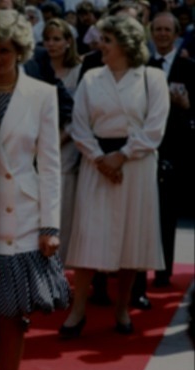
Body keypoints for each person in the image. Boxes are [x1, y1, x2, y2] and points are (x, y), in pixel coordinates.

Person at [60, 14, 169, 338]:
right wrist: (100, 159)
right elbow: (79, 125)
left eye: (107, 40)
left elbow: (155, 127)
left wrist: (122, 155)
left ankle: (122, 309)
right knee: (89, 236)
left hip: (135, 167)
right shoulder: (92, 78)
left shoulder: (152, 77)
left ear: (125, 43)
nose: (100, 45)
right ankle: (78, 310)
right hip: (97, 167)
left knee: (130, 238)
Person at [0, 9, 71, 370]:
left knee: (13, 318)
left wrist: (51, 226)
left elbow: (51, 166)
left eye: (8, 50)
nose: (1, 57)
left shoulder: (41, 94)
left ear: (21, 51)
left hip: (23, 219)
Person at [132, 12, 195, 297]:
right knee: (142, 215)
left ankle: (163, 271)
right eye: (157, 29)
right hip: (144, 147)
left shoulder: (189, 68)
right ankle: (138, 272)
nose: (161, 34)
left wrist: (186, 104)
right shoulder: (141, 66)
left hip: (176, 148)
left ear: (176, 33)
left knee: (167, 214)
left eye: (167, 30)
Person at [41, 17, 83, 266]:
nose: (51, 44)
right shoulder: (37, 68)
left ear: (69, 42)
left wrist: (57, 141)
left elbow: (80, 114)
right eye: (47, 39)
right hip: (37, 148)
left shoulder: (79, 70)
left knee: (63, 208)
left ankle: (61, 264)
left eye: (57, 39)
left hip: (66, 147)